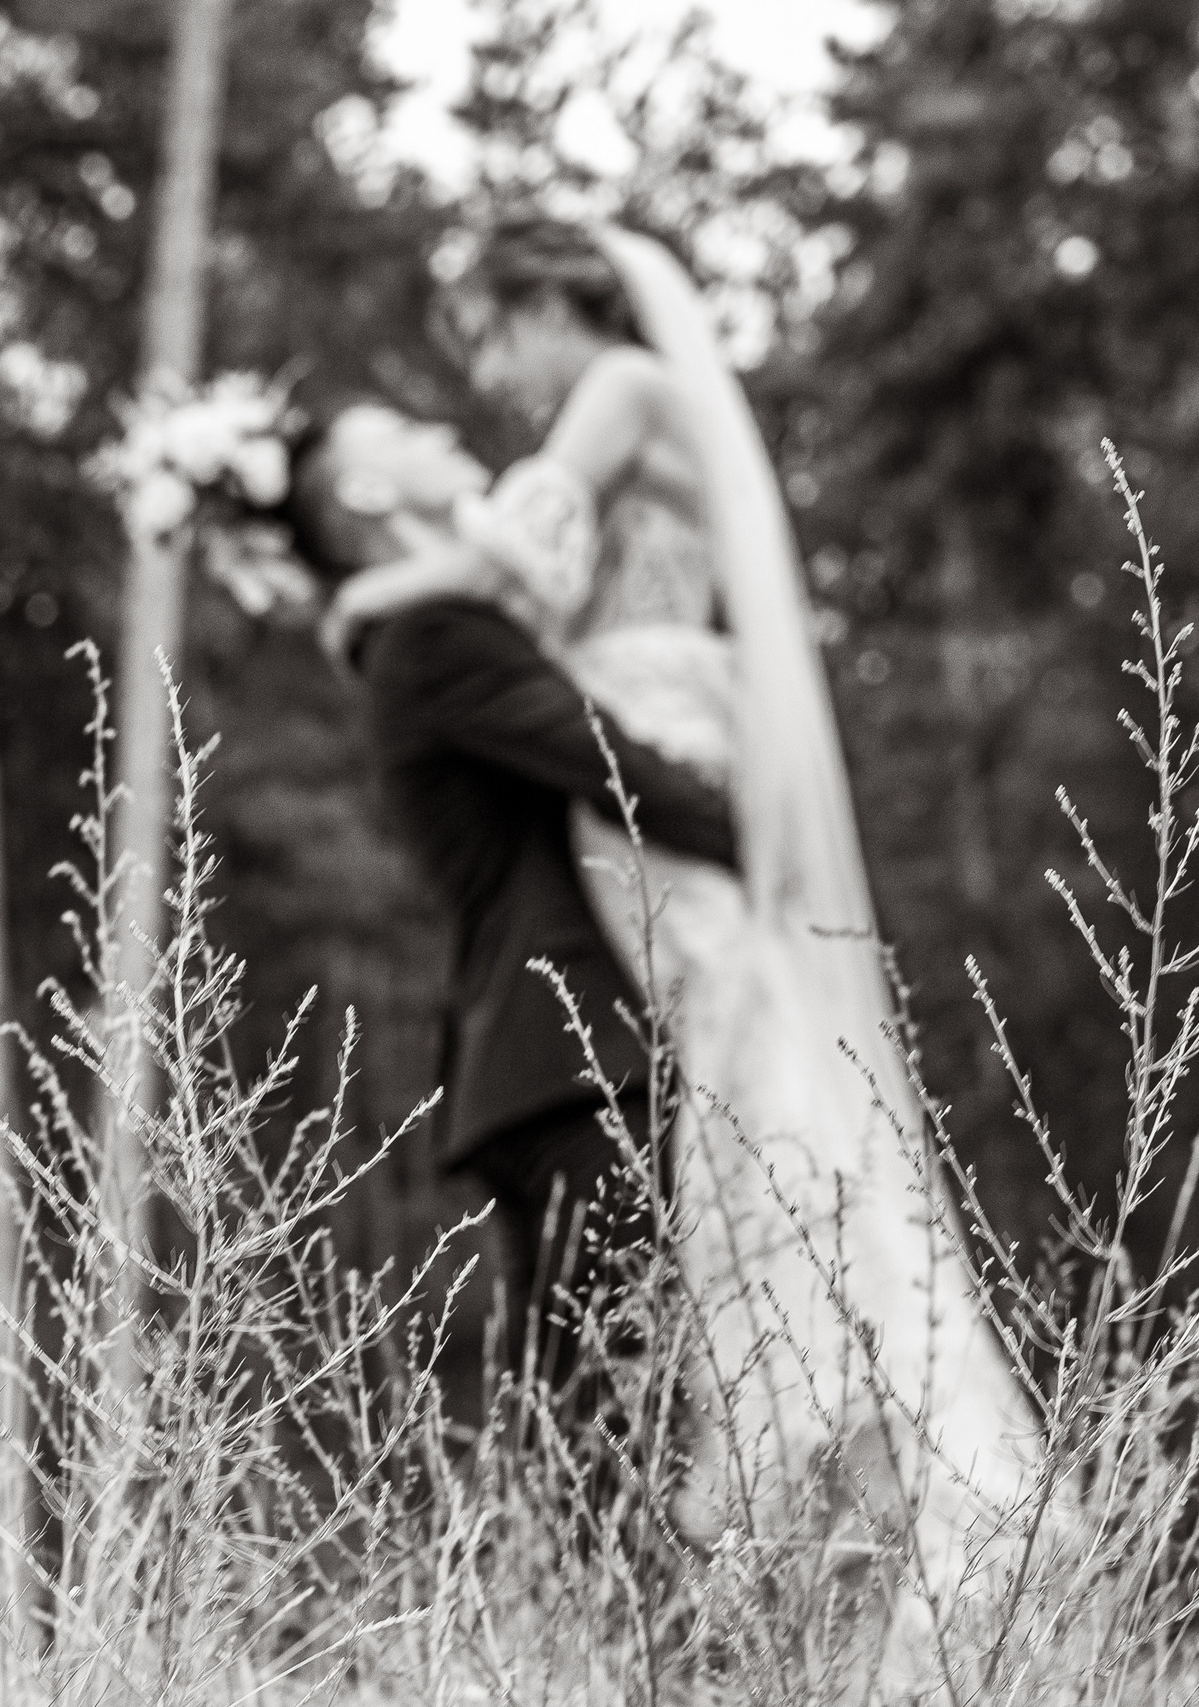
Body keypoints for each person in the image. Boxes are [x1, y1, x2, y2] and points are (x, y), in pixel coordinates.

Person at [323, 220, 1042, 1638]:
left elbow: (520, 545)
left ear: (545, 301)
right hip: (638, 727)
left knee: (731, 1061)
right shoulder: (636, 407)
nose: (500, 372)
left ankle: (854, 1439)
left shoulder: (631, 387)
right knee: (726, 1084)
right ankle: (792, 1442)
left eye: (494, 332)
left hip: (648, 715)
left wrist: (368, 588)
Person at [273, 401, 741, 1440]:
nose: (438, 434)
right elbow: (616, 768)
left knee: (592, 1423)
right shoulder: (435, 638)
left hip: (551, 1063)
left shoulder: (423, 627)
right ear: (367, 493)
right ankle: (602, 1606)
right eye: (401, 431)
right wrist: (773, 839)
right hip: (576, 1056)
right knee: (619, 1423)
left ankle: (566, 1603)